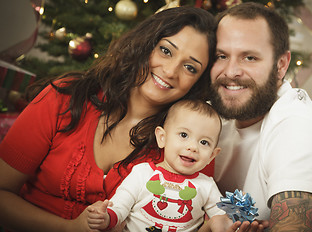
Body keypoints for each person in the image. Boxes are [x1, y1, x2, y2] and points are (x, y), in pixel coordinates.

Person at [0, 6, 217, 232]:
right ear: (145, 45)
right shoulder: (65, 98)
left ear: (198, 83)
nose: (171, 71)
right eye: (165, 50)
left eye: (190, 67)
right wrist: (69, 228)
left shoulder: (194, 144)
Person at [209, 2, 312, 232]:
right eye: (221, 55)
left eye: (249, 57)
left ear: (281, 65)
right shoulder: (212, 119)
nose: (231, 72)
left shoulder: (298, 130)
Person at [86, 99, 267, 232]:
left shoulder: (206, 185)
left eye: (204, 142)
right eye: (183, 135)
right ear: (162, 137)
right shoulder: (142, 173)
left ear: (212, 155)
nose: (192, 147)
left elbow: (219, 216)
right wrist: (106, 217)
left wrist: (235, 222)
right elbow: (120, 206)